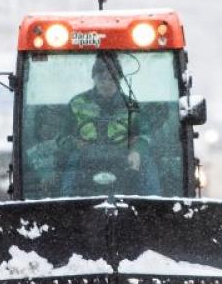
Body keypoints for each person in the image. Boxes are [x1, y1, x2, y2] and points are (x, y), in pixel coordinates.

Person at [64, 56, 156, 194]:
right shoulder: (77, 104)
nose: (106, 83)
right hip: (86, 155)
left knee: (147, 163)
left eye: (111, 79)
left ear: (119, 79)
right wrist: (75, 144)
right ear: (94, 77)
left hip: (123, 154)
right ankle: (65, 203)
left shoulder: (131, 106)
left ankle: (154, 203)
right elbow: (62, 135)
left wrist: (136, 150)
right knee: (71, 161)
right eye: (102, 78)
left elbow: (145, 135)